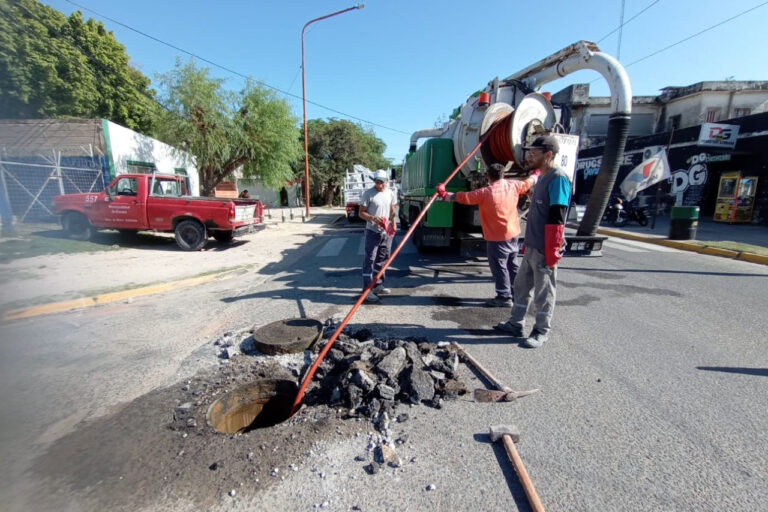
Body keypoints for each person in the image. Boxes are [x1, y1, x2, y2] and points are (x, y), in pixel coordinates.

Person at [494, 135, 571, 348]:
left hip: (545, 247)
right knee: (521, 286)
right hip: (532, 246)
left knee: (543, 291)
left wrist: (553, 247)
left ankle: (540, 330)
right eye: (529, 152)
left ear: (548, 155)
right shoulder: (543, 178)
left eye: (534, 153)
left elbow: (558, 215)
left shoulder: (558, 178)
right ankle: (515, 323)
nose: (529, 156)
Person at [437, 163, 539, 307]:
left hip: (497, 236)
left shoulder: (485, 192)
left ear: (488, 176)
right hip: (513, 232)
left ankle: (504, 296)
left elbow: (463, 197)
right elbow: (529, 182)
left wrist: (444, 194)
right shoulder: (513, 186)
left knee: (499, 266)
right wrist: (536, 173)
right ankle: (517, 293)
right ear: (503, 175)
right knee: (512, 264)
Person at [359, 169, 398, 303]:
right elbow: (361, 213)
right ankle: (367, 290)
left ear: (387, 181)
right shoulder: (368, 194)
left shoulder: (390, 193)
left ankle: (377, 285)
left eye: (382, 182)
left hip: (386, 233)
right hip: (372, 232)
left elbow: (392, 211)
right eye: (377, 182)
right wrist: (373, 219)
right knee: (369, 260)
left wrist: (393, 224)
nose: (379, 185)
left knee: (382, 259)